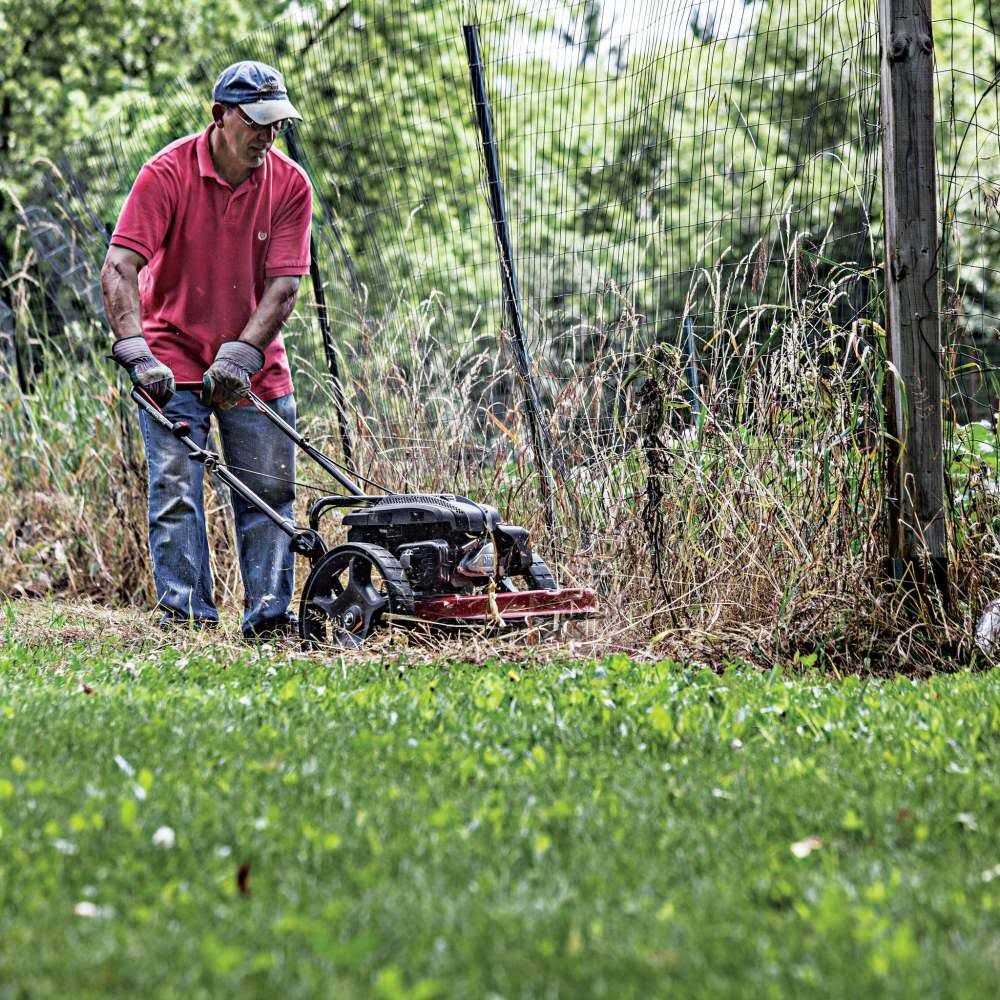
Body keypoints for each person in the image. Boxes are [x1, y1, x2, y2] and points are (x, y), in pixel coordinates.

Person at [100, 61, 312, 639]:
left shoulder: (290, 184)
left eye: (276, 123)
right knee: (176, 485)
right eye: (256, 122)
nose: (268, 136)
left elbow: (285, 286)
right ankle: (186, 619)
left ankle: (269, 619)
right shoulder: (165, 174)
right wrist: (136, 350)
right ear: (221, 116)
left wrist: (243, 354)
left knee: (269, 493)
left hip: (254, 365)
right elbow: (120, 265)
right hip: (169, 356)